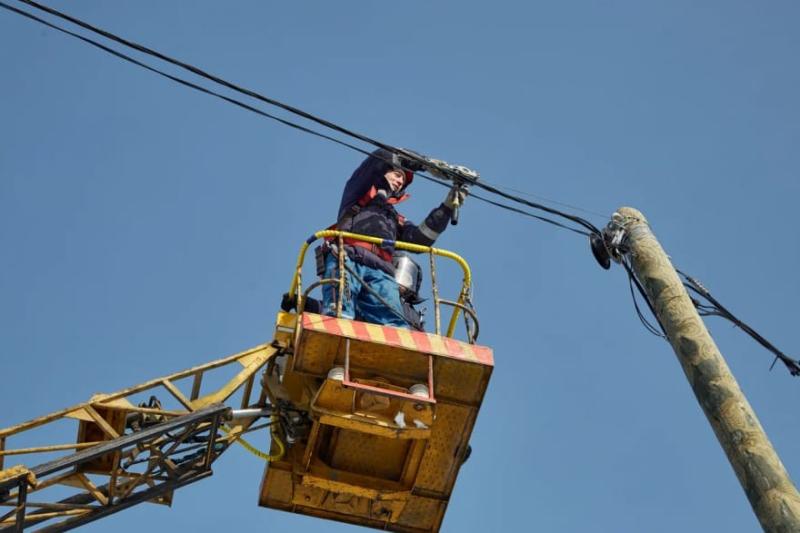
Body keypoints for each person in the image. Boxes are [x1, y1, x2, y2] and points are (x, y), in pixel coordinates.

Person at [321, 148, 466, 327]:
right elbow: (380, 157)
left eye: (403, 181)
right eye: (397, 175)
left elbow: (421, 238)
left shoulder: (394, 219)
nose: (400, 182)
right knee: (339, 313)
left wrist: (447, 207)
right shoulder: (358, 192)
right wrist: (425, 164)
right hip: (348, 259)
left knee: (394, 326)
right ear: (384, 171)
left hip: (381, 272)